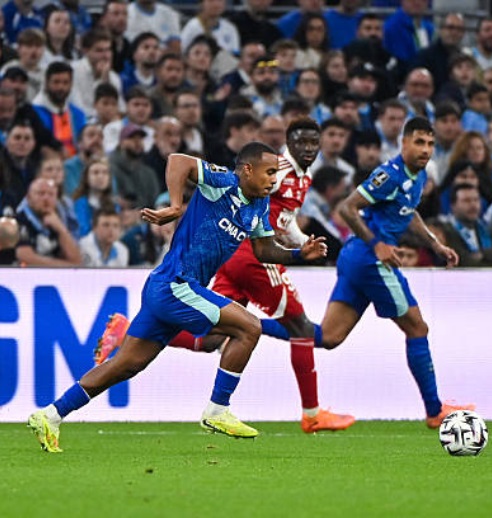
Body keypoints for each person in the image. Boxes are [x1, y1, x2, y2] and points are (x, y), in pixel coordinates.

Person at [27, 142, 328, 453]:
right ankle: (217, 410)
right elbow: (177, 160)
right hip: (175, 284)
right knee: (249, 327)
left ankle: (50, 415)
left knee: (125, 365)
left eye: (276, 174)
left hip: (170, 288)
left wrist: (298, 254)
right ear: (248, 170)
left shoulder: (259, 205)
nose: (274, 180)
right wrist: (174, 205)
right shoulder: (223, 182)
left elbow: (264, 250)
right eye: (269, 172)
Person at [97, 119, 355, 433]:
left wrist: (301, 245)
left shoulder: (304, 176)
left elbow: (284, 221)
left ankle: (126, 332)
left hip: (233, 256)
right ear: (287, 143)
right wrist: (298, 249)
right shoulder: (279, 170)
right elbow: (252, 208)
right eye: (301, 142)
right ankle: (311, 413)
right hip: (251, 257)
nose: (308, 149)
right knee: (299, 328)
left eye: (314, 143)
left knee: (213, 338)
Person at [264, 117, 474, 428]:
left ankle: (250, 326)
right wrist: (377, 245)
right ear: (403, 143)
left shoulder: (417, 176)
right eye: (419, 142)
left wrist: (434, 243)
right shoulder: (389, 174)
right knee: (417, 328)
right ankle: (434, 411)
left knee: (329, 337)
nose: (425, 149)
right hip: (370, 261)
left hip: (356, 259)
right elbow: (347, 208)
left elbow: (407, 211)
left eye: (430, 144)